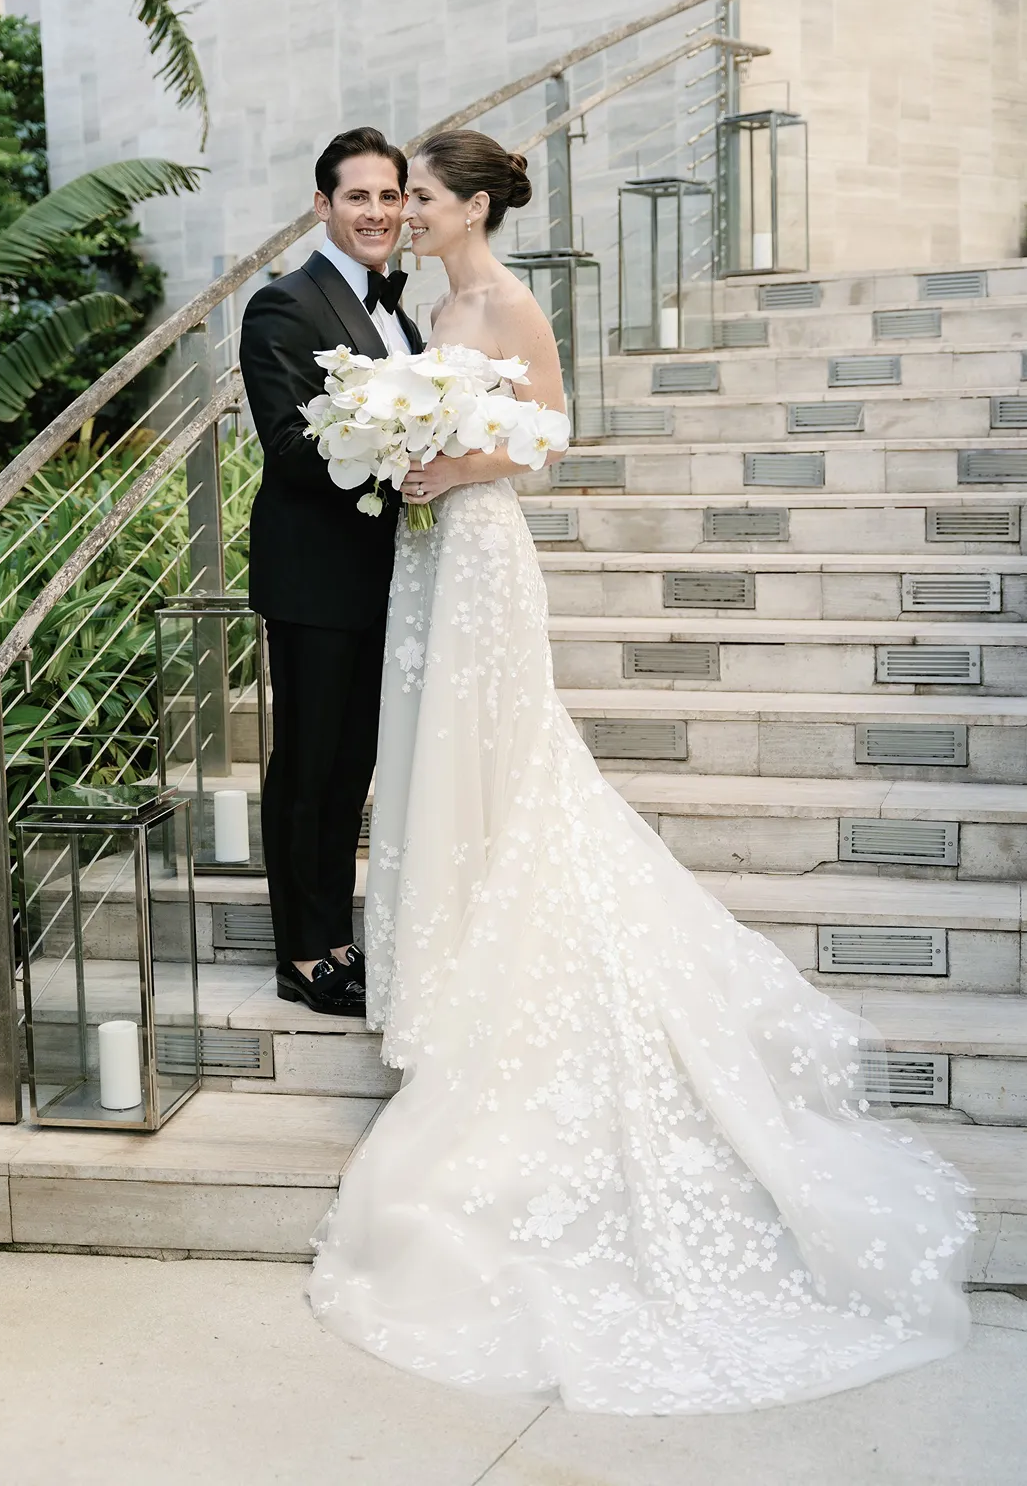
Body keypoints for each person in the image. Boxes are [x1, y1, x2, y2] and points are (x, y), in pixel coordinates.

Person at [306, 128, 974, 1414]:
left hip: (486, 550)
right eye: (406, 199)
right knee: (439, 765)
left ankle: (496, 967)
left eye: (428, 196)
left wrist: (458, 462)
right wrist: (404, 455)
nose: (413, 211)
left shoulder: (500, 299)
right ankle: (447, 961)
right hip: (432, 558)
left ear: (473, 204)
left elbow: (552, 430)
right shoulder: (432, 304)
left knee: (505, 764)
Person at [240, 127, 424, 1015]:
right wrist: (402, 443)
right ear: (323, 206)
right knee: (309, 768)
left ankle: (341, 935)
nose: (377, 213)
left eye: (390, 197)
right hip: (314, 577)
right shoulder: (284, 305)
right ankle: (303, 955)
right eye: (358, 196)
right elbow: (287, 448)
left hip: (384, 574)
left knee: (353, 764)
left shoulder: (400, 311)